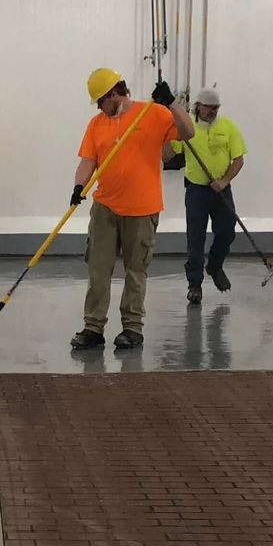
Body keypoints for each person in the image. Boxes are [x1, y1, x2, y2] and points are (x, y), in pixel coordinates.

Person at [70, 68, 193, 351]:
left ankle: (132, 329)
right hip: (105, 208)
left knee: (136, 270)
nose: (100, 108)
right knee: (98, 269)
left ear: (114, 94)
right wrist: (79, 187)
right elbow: (88, 160)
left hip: (142, 208)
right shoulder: (96, 124)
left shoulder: (151, 114)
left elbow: (188, 132)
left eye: (101, 101)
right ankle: (93, 327)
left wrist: (171, 103)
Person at [168, 86, 248, 305]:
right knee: (196, 238)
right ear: (198, 106)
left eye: (216, 108)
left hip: (222, 189)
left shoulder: (227, 127)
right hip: (197, 191)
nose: (212, 111)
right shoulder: (187, 127)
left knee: (226, 232)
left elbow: (238, 159)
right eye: (208, 107)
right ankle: (194, 283)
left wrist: (223, 181)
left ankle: (214, 265)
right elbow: (171, 150)